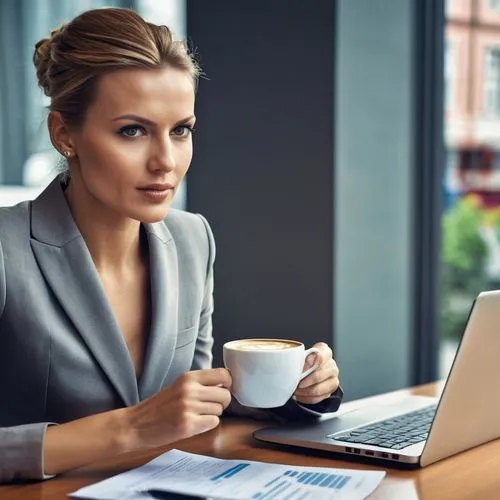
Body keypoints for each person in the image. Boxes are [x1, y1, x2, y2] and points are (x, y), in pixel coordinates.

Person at [0, 7, 342, 483]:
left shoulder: (191, 239)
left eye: (181, 129)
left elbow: (190, 404)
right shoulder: (5, 248)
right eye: (132, 131)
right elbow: (149, 421)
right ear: (65, 135)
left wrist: (294, 389)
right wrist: (131, 428)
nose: (166, 161)